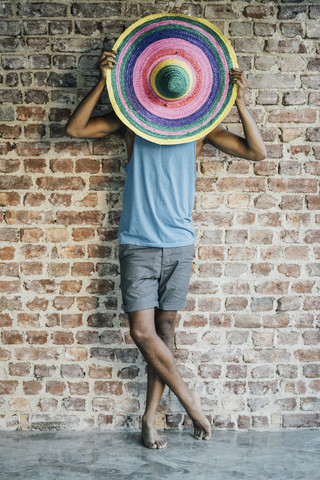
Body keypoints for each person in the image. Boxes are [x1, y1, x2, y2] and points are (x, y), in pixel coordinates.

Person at [65, 50, 267, 449]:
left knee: (165, 330)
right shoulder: (131, 124)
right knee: (142, 332)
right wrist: (103, 84)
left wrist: (239, 102)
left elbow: (256, 152)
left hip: (179, 244)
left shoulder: (199, 130)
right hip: (137, 242)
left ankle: (149, 419)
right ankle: (190, 400)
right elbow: (76, 129)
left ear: (190, 93)